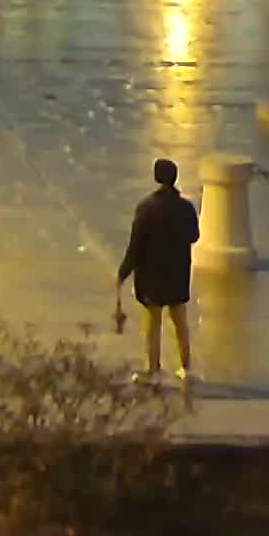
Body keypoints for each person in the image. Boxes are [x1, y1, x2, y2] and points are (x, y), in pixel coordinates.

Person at [112, 157, 201, 391]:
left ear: (156, 177)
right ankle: (186, 368)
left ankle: (153, 369)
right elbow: (195, 236)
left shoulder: (146, 208)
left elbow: (136, 246)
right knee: (180, 323)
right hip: (178, 273)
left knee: (153, 324)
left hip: (152, 276)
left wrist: (123, 272)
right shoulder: (186, 208)